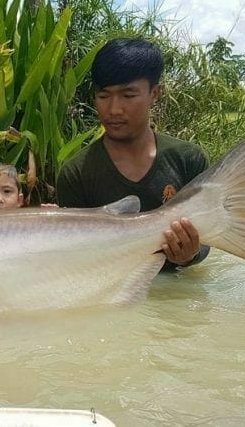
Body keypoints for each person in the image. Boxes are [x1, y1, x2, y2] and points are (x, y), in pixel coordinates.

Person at [56, 38, 210, 268]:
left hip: (176, 287)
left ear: (155, 93)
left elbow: (207, 237)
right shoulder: (76, 173)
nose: (114, 109)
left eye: (128, 96)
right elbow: (78, 259)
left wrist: (190, 256)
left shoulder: (189, 160)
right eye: (103, 96)